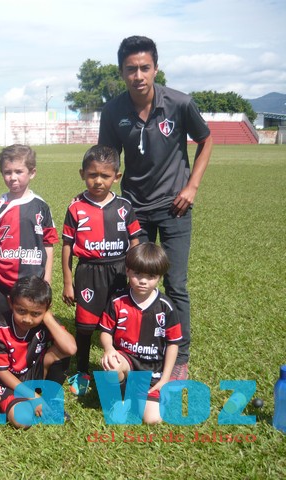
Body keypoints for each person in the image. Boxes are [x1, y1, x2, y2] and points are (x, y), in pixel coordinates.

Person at [98, 36, 213, 379]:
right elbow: (106, 159)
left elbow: (206, 139)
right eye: (131, 69)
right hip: (133, 209)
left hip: (175, 206)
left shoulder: (180, 103)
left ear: (156, 68)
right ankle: (129, 348)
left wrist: (192, 186)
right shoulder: (113, 111)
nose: (138, 76)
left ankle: (180, 359)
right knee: (131, 279)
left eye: (144, 68)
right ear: (121, 72)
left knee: (175, 283)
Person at [61, 145, 141, 396]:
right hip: (88, 272)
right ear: (82, 174)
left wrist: (133, 271)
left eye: (105, 175)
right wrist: (67, 282)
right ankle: (82, 370)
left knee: (118, 323)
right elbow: (67, 245)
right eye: (92, 174)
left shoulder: (124, 206)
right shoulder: (76, 207)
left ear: (116, 177)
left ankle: (120, 368)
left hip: (118, 271)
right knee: (85, 327)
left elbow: (135, 241)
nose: (98, 180)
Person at [98, 243, 182, 424]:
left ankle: (140, 394)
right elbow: (105, 331)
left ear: (159, 277)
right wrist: (109, 348)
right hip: (127, 360)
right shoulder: (117, 300)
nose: (143, 281)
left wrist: (165, 378)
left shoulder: (166, 307)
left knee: (153, 419)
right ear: (127, 271)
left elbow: (173, 344)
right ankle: (120, 399)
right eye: (137, 274)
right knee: (112, 364)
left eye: (151, 276)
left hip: (152, 370)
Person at [0, 144, 59, 321]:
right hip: (4, 281)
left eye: (19, 171)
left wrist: (47, 277)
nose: (13, 177)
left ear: (32, 172)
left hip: (33, 281)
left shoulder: (41, 206)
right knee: (3, 323)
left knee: (31, 323)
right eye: (7, 172)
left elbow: (48, 243)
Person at [0, 276, 76, 428]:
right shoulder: (0, 328)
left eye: (36, 314)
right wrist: (32, 396)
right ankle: (27, 401)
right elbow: (2, 372)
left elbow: (71, 348)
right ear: (10, 302)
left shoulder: (45, 321)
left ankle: (50, 401)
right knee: (23, 420)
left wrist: (48, 318)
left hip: (34, 374)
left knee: (62, 350)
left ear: (46, 309)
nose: (27, 319)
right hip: (9, 382)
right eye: (21, 311)